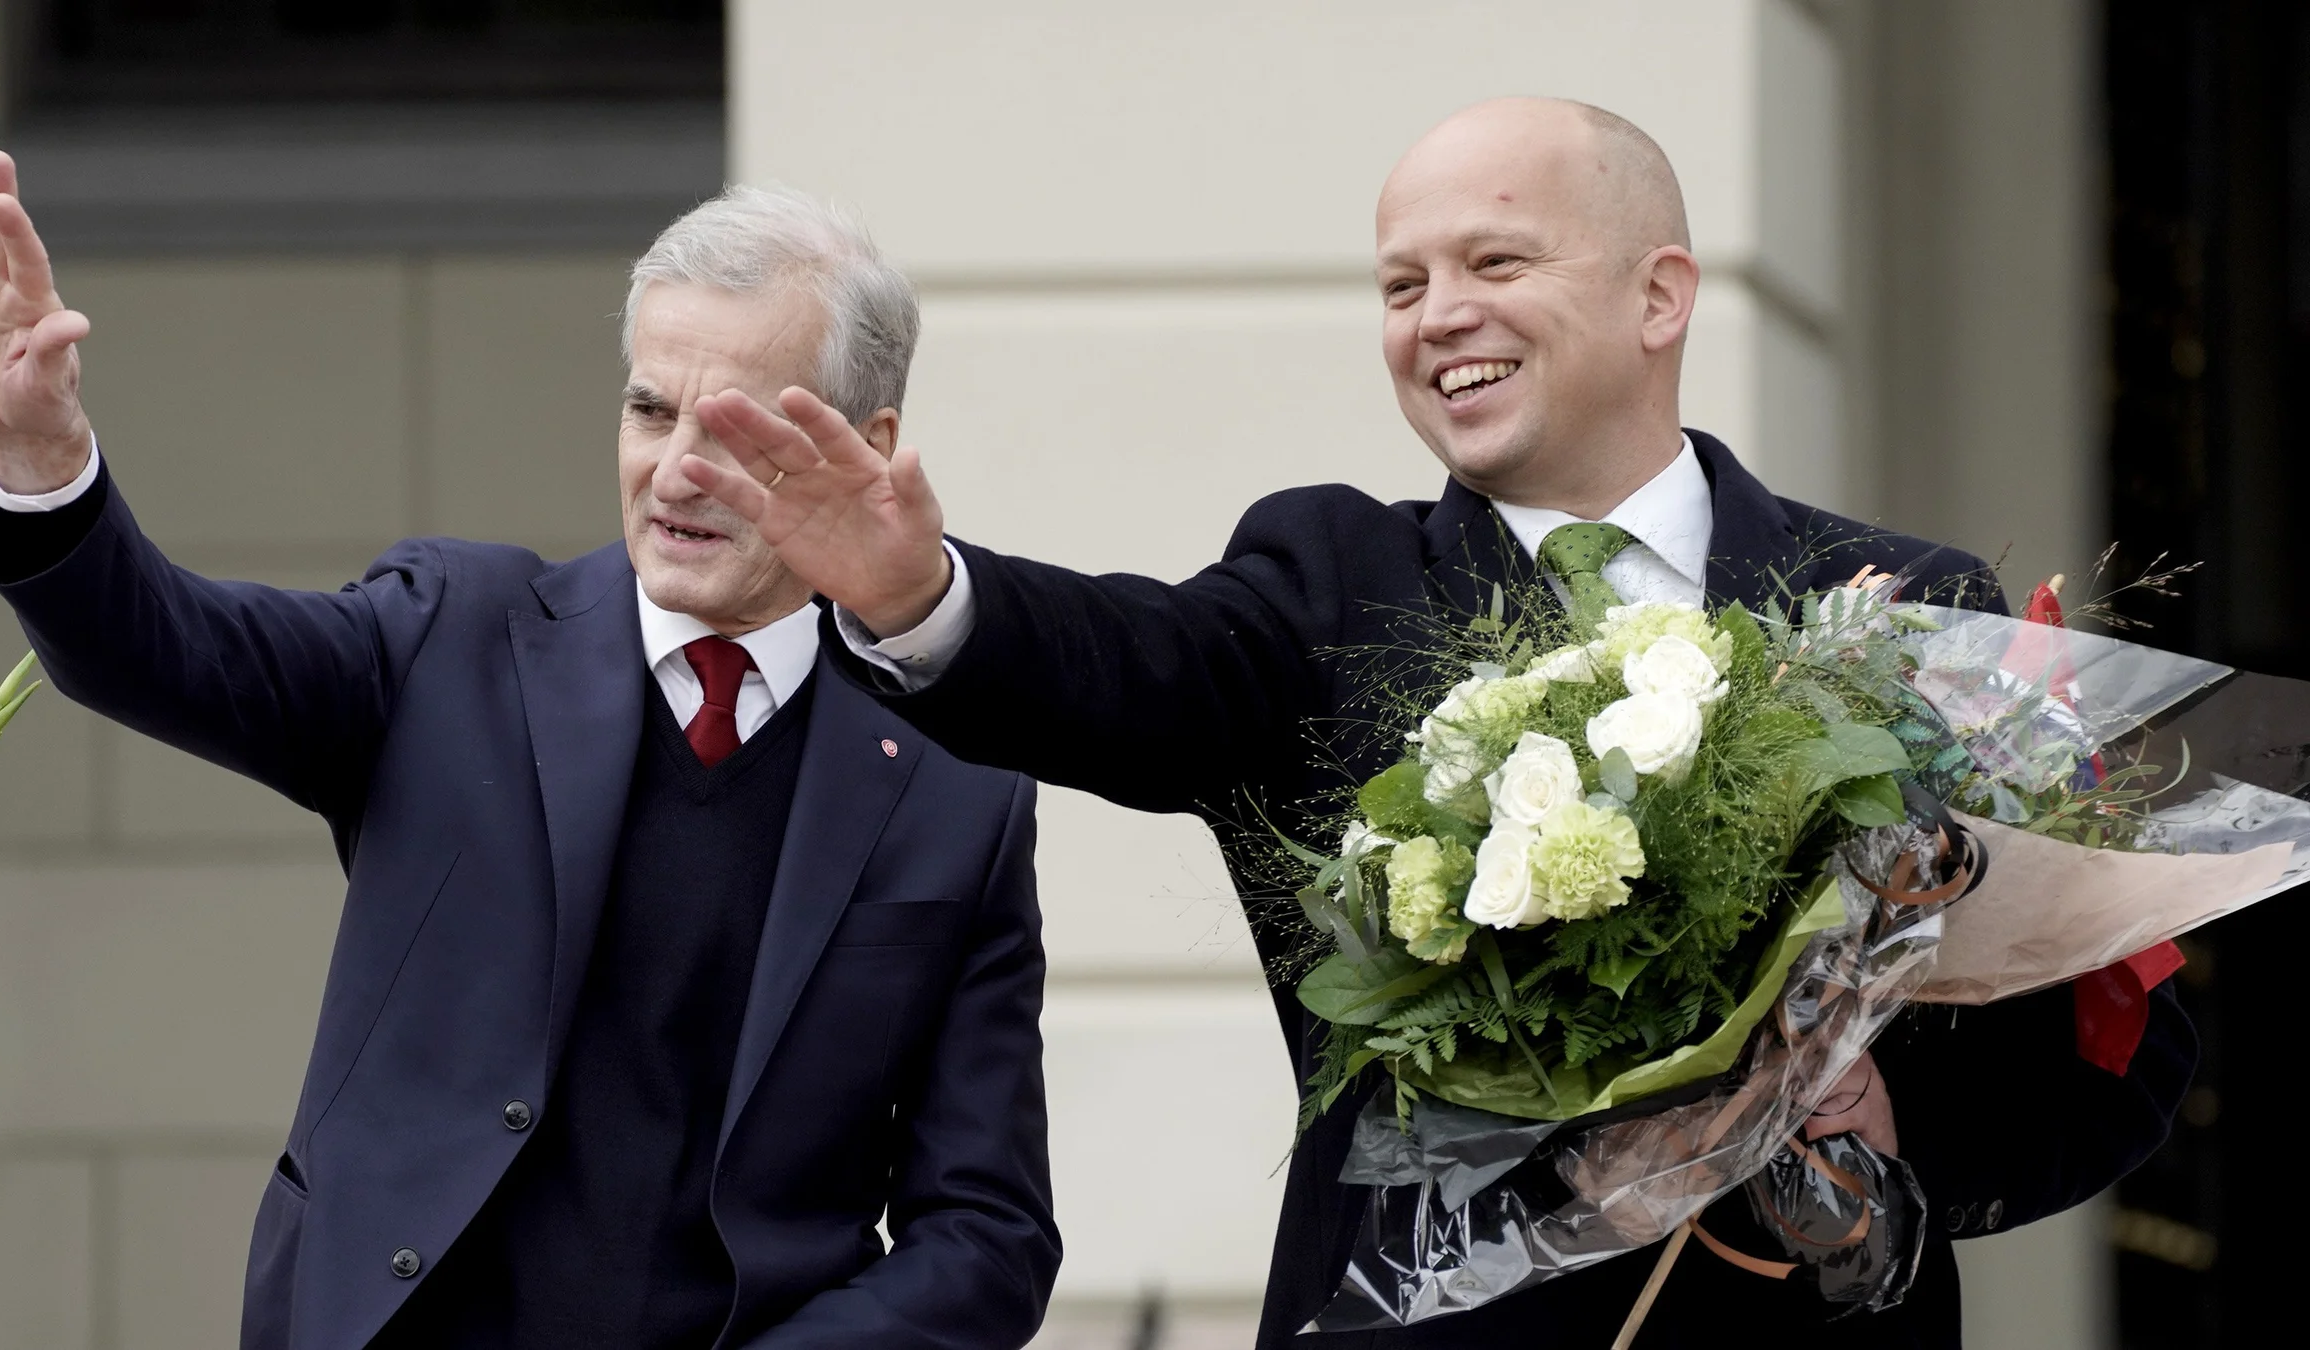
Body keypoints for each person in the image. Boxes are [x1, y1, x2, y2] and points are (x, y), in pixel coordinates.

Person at [673, 99, 2196, 1347]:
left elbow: (2109, 1043)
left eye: (1493, 263)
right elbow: (1132, 669)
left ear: (1657, 293)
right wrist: (920, 590)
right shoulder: (1330, 579)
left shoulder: (1899, 607)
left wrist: (1885, 1105)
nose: (1437, 315)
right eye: (1401, 285)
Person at [0, 156, 1058, 1349]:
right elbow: (163, 649)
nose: (675, 473)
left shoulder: (954, 778)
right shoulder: (450, 638)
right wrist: (44, 465)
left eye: (734, 431)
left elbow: (986, 1233)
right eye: (650, 410)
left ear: (866, 446)